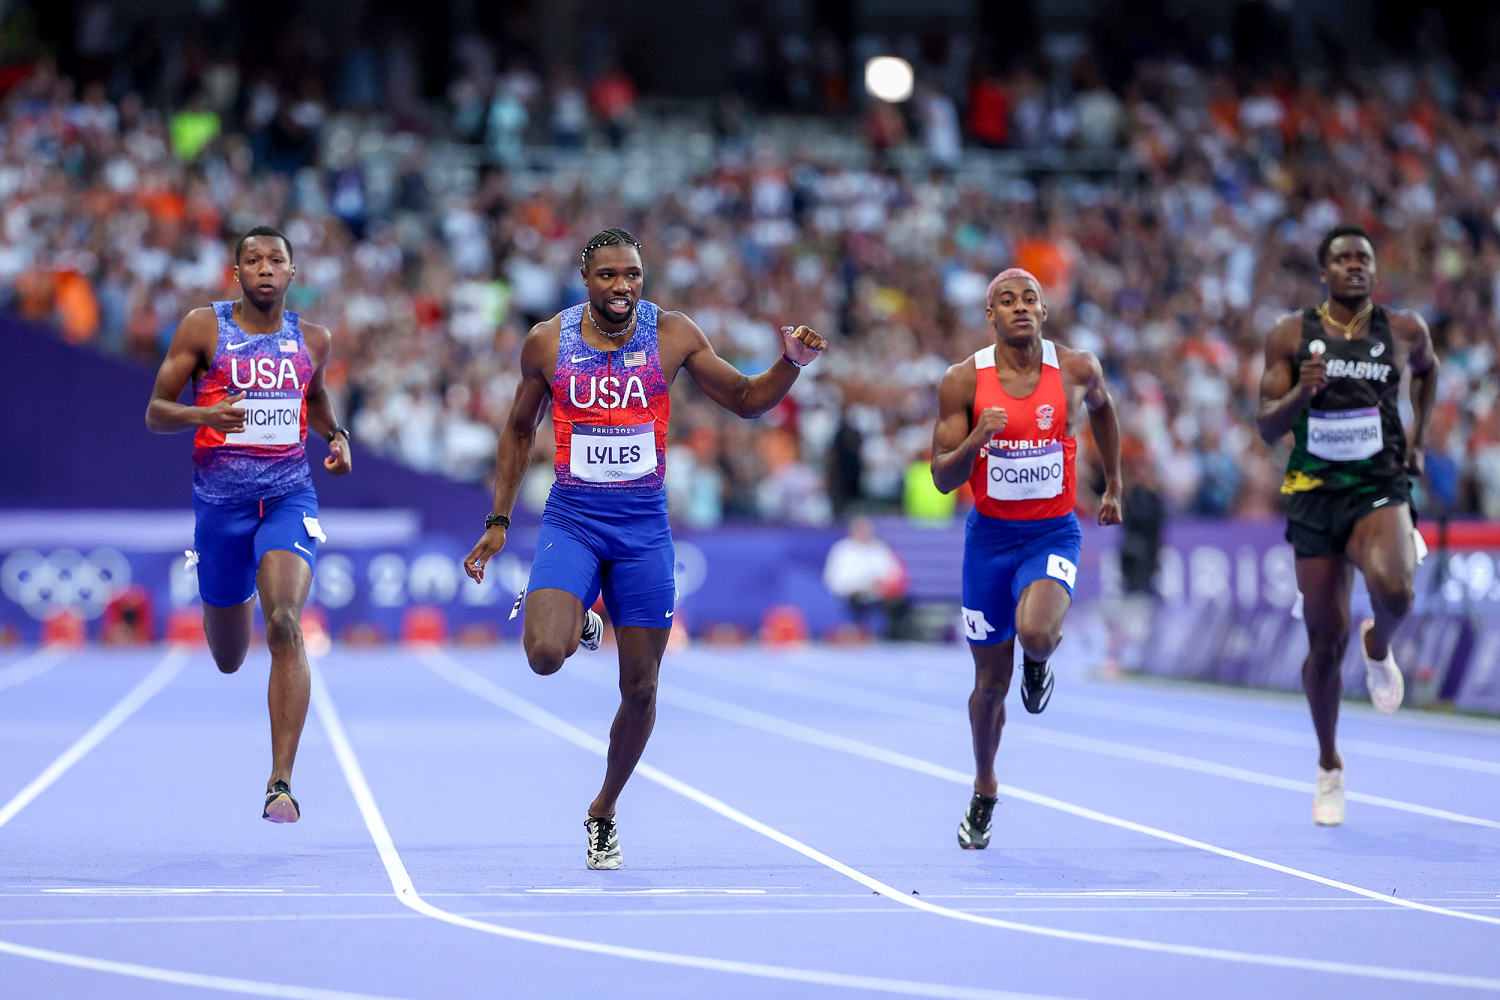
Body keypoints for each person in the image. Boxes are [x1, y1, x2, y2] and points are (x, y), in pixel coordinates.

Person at [463, 227, 826, 869]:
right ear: (586, 280)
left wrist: (789, 364)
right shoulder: (549, 340)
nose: (623, 286)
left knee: (641, 686)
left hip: (642, 528)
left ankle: (603, 808)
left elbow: (744, 400)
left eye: (632, 274)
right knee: (546, 653)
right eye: (608, 275)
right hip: (574, 516)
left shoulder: (673, 334)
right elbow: (520, 428)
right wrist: (498, 517)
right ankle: (581, 618)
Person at [146, 226, 352, 824]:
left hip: (290, 497)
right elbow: (156, 412)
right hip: (220, 509)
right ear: (236, 274)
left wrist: (336, 436)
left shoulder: (313, 338)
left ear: (292, 274)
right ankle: (223, 604)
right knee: (230, 656)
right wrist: (204, 412)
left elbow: (313, 400)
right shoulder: (203, 327)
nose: (265, 267)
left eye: (276, 259)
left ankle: (280, 783)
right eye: (253, 260)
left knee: (286, 624)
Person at [930, 268, 1122, 850]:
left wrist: (1113, 485)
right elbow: (942, 477)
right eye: (1005, 300)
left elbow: (1105, 411)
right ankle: (985, 788)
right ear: (989, 316)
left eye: (1029, 298)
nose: (1019, 307)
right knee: (990, 685)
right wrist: (974, 442)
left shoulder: (1077, 369)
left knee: (1036, 633)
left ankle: (1039, 660)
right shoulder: (964, 381)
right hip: (988, 543)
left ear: (1044, 311)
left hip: (1051, 535)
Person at [1256, 223, 1437, 826]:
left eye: (1364, 257)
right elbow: (1265, 426)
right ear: (1324, 272)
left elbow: (1428, 372)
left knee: (1396, 589)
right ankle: (1329, 764)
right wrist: (1300, 398)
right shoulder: (1290, 334)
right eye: (1343, 258)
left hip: (1378, 484)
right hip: (1314, 494)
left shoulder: (1405, 330)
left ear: (1374, 270)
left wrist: (1419, 440)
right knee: (1324, 645)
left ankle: (1379, 646)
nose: (1355, 266)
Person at [822, 516, 911, 640]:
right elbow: (834, 579)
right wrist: (854, 587)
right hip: (852, 593)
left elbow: (893, 572)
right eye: (861, 530)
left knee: (900, 603)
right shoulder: (842, 550)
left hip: (877, 592)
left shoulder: (879, 548)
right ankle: (858, 633)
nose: (864, 534)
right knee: (857, 603)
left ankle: (893, 637)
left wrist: (883, 583)